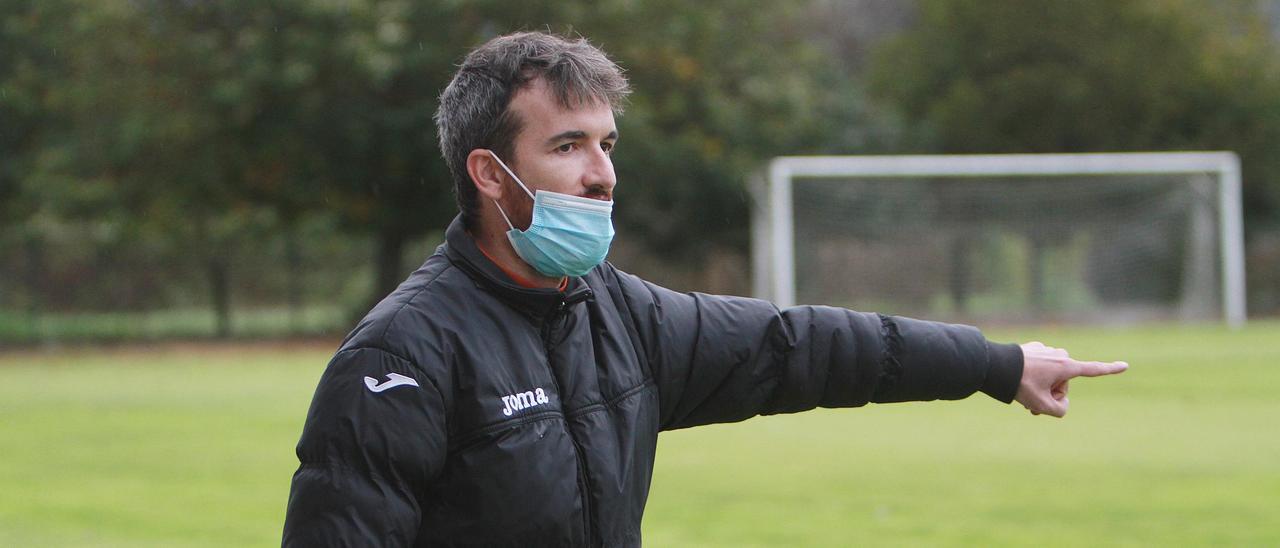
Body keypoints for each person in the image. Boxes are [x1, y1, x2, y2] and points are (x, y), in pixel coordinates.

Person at [281, 31, 1128, 547]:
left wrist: (994, 362)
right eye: (569, 146)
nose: (603, 174)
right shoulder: (401, 358)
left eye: (608, 144)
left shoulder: (623, 318)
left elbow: (804, 347)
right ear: (490, 175)